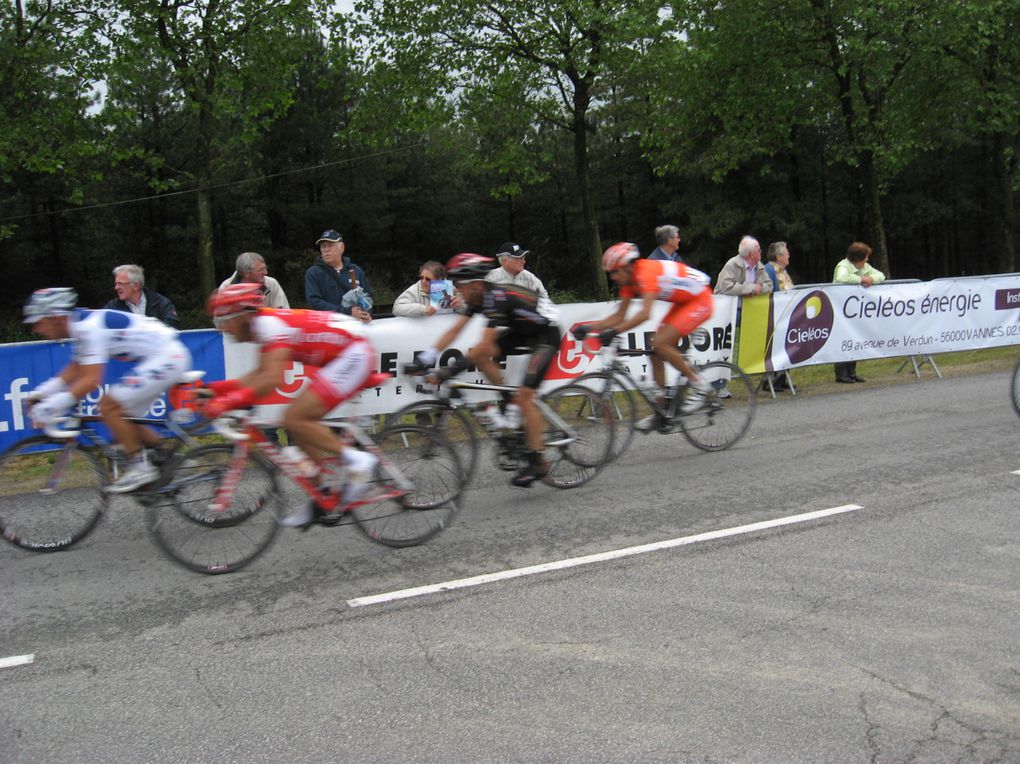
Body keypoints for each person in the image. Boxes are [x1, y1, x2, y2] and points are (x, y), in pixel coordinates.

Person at [203, 283, 379, 527]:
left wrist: (227, 402)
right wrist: (213, 390)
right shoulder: (259, 326)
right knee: (298, 424)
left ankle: (356, 459)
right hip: (342, 351)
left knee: (295, 418)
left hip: (354, 352)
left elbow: (272, 380)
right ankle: (323, 496)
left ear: (241, 316)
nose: (223, 329)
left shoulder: (269, 325)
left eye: (223, 321)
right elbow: (259, 374)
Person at [409, 253, 562, 488]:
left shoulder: (495, 298)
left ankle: (538, 462)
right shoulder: (477, 298)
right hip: (522, 330)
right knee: (483, 359)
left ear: (475, 284)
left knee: (525, 396)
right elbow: (455, 331)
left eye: (459, 284)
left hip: (545, 335)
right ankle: (506, 398)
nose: (456, 289)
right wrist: (428, 356)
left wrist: (451, 370)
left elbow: (485, 343)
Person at [23, 287, 192, 493]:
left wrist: (52, 406)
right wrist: (41, 394)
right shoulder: (79, 325)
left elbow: (91, 380)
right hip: (163, 356)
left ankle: (141, 467)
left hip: (168, 357)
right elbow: (75, 368)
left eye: (37, 322)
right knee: (123, 419)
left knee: (108, 407)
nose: (35, 329)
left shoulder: (88, 328)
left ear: (56, 317)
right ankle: (166, 460)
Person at [574, 243, 715, 432]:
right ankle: (662, 411)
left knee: (659, 343)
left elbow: (645, 314)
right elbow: (619, 316)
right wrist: (589, 327)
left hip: (701, 300)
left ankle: (700, 386)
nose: (613, 277)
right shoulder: (628, 282)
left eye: (614, 272)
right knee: (654, 352)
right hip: (683, 303)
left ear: (627, 266)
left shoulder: (645, 273)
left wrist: (615, 331)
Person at [833, 241, 886, 384]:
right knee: (843, 340)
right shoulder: (843, 266)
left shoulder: (864, 267)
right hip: (841, 311)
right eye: (866, 257)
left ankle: (852, 372)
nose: (867, 260)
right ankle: (841, 374)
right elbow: (841, 278)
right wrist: (862, 279)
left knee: (854, 339)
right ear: (858, 259)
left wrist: (871, 279)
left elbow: (881, 275)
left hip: (855, 311)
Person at [304, 229, 372, 323]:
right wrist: (347, 312)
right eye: (323, 246)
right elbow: (314, 303)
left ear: (342, 247)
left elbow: (368, 296)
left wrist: (367, 313)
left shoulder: (356, 270)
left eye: (330, 245)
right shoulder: (313, 273)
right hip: (327, 328)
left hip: (355, 327)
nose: (326, 249)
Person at [485, 242, 556, 315]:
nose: (524, 261)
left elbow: (544, 298)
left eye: (523, 258)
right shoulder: (490, 278)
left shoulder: (529, 277)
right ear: (505, 261)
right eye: (518, 258)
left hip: (526, 322)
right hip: (499, 322)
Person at [104, 264, 180, 328]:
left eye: (120, 283)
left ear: (136, 286)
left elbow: (173, 326)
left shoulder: (160, 303)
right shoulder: (112, 308)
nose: (116, 287)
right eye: (116, 284)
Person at [219, 251, 289, 309]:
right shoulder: (226, 288)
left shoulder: (272, 284)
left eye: (265, 268)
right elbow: (221, 321)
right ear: (246, 273)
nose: (266, 272)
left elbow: (284, 312)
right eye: (261, 270)